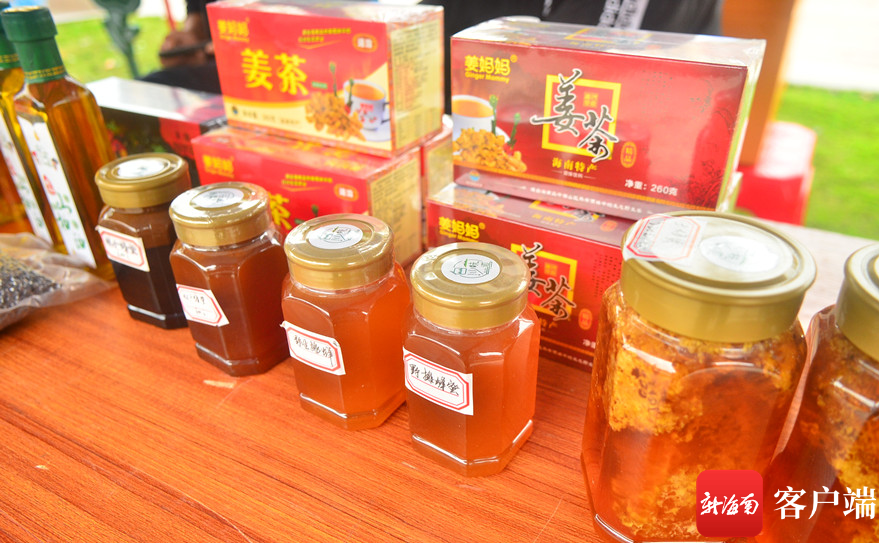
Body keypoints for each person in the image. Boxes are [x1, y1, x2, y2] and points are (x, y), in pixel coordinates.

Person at [140, 0, 221, 94]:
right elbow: (196, 10)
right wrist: (187, 39)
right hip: (211, 66)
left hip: (232, 71)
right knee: (147, 87)